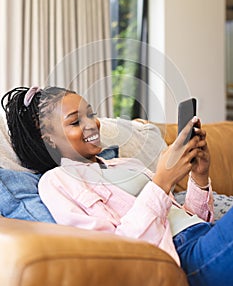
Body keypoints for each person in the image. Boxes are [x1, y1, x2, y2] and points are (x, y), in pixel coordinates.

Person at [1, 86, 233, 286]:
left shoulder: (127, 164)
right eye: (75, 121)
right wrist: (162, 182)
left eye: (91, 114)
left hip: (206, 236)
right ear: (48, 138)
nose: (92, 124)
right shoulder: (58, 181)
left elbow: (190, 219)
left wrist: (199, 177)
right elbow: (116, 248)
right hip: (186, 258)